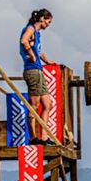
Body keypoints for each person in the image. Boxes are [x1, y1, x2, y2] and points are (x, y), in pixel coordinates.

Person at [19, 8, 57, 145]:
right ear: (41, 18)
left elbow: (39, 52)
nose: (48, 24)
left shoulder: (38, 34)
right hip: (32, 70)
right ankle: (33, 138)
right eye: (48, 21)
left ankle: (44, 137)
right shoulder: (30, 29)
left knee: (48, 104)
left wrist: (48, 61)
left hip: (38, 70)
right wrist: (31, 54)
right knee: (34, 105)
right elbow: (24, 41)